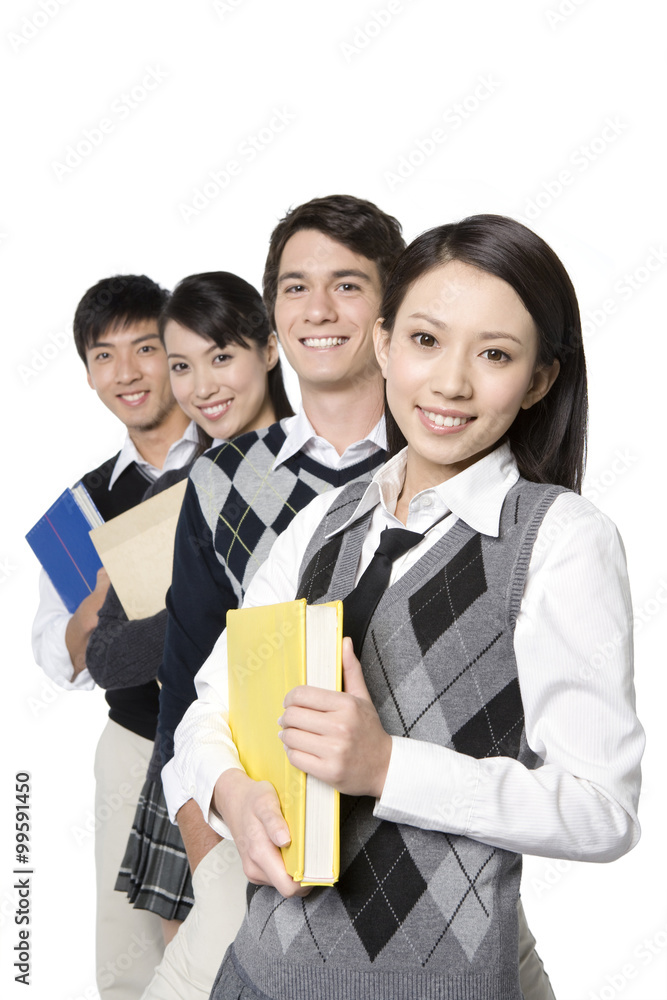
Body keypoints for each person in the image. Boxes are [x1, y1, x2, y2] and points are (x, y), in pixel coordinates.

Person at [173, 214, 644, 1000]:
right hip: (259, 971)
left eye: (493, 354)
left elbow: (601, 810)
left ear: (538, 380)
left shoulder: (559, 540)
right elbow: (208, 706)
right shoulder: (318, 524)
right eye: (426, 340)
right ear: (384, 342)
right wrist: (232, 793)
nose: (451, 382)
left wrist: (386, 767)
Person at [150, 194, 404, 998]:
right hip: (260, 839)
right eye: (295, 287)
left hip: (416, 836)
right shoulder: (227, 476)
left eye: (348, 285)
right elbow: (185, 682)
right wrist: (206, 845)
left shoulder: (439, 455)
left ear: (392, 307)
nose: (318, 310)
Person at [83, 271, 291, 952]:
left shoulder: (327, 467)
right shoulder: (178, 489)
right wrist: (207, 621)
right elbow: (107, 655)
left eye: (221, 356)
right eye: (182, 366)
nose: (201, 386)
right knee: (191, 964)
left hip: (296, 753)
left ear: (268, 350)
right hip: (190, 754)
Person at [30, 274, 197, 998]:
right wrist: (103, 598)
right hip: (133, 743)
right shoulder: (83, 505)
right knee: (130, 955)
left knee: (239, 932)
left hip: (247, 734)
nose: (125, 372)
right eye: (104, 356)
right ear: (89, 374)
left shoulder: (242, 455)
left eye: (146, 348)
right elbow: (63, 659)